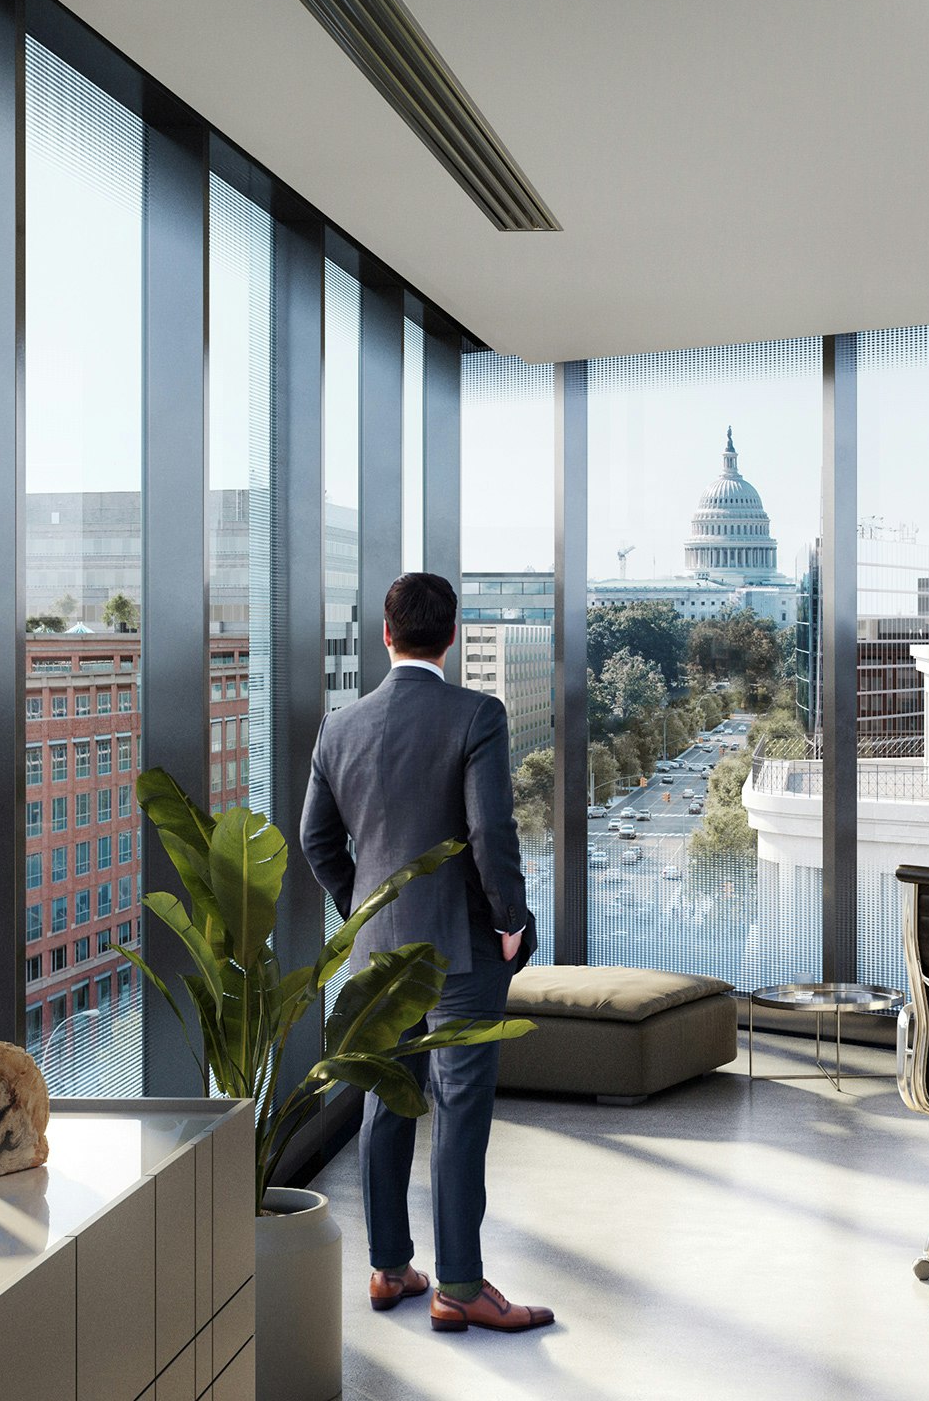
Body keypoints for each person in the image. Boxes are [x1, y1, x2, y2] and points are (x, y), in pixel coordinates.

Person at [301, 572, 555, 1335]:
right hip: (461, 951)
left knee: (383, 1106)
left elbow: (318, 842)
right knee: (460, 1114)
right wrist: (510, 919)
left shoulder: (338, 729)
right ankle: (459, 1285)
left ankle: (387, 1270)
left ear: (386, 634)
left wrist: (365, 912)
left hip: (376, 957)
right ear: (450, 637)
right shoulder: (476, 714)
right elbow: (492, 832)